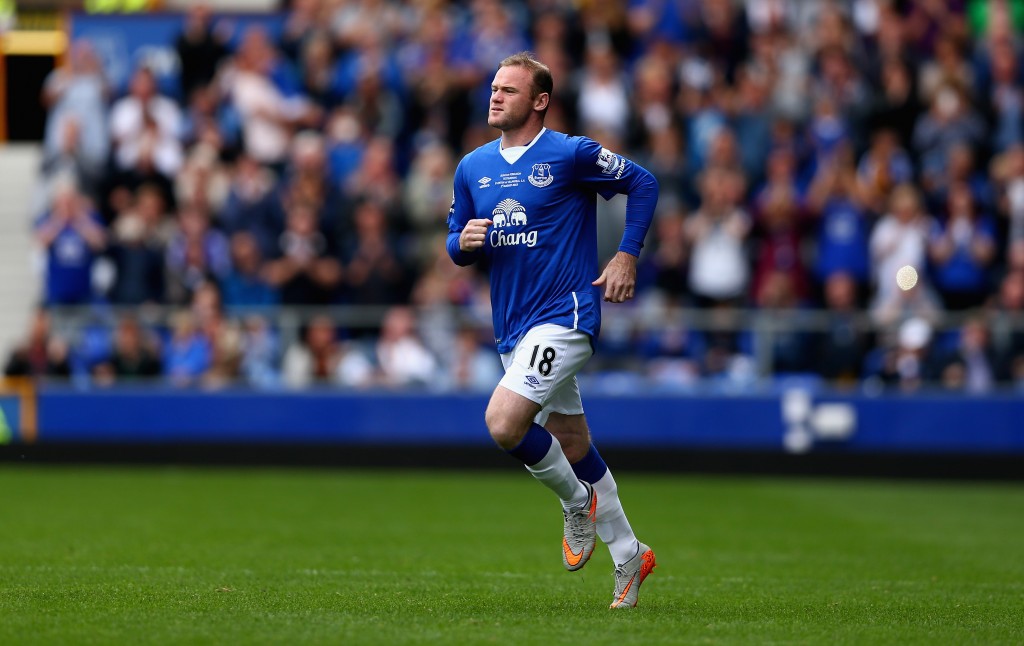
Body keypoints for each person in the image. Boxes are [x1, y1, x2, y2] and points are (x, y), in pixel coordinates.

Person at [446, 52, 658, 608]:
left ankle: (574, 503)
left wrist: (626, 256)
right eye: (493, 87)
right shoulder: (473, 167)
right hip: (512, 326)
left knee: (502, 423)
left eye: (509, 90)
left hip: (564, 316)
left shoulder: (570, 153)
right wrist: (462, 243)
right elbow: (455, 241)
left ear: (539, 100)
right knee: (572, 442)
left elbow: (644, 182)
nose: (495, 96)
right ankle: (630, 554)